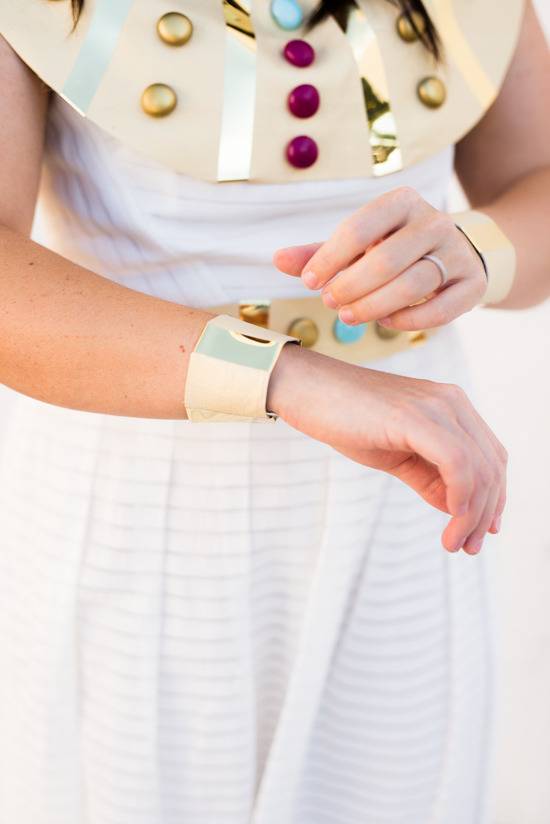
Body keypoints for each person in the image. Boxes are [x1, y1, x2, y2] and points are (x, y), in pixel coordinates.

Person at [0, 0, 548, 822]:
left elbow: (534, 182)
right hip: (141, 502)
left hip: (412, 505)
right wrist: (290, 378)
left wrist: (476, 249)